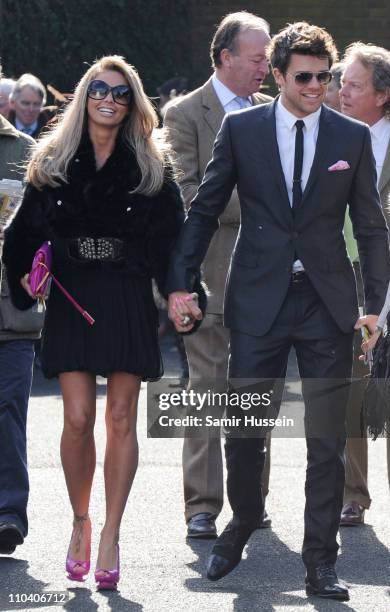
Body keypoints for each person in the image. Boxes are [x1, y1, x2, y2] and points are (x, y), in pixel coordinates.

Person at [167, 22, 390, 601]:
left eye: (325, 76)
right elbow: (204, 206)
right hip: (258, 299)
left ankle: (321, 560)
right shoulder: (243, 130)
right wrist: (181, 283)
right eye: (304, 76)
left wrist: (373, 307)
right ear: (279, 74)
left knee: (326, 440)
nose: (317, 86)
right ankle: (242, 520)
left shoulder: (349, 138)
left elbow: (370, 227)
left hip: (326, 303)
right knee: (245, 430)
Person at [3, 55, 201, 589]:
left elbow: (171, 244)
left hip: (126, 295)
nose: (108, 99)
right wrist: (24, 273)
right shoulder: (53, 160)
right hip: (72, 294)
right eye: (98, 90)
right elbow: (21, 235)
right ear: (84, 98)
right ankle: (80, 521)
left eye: (119, 92)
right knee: (74, 420)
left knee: (119, 419)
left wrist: (181, 291)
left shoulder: (153, 168)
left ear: (132, 103)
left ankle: (112, 532)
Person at [164, 11, 273, 539]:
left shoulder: (273, 112)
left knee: (254, 392)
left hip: (264, 279)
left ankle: (252, 501)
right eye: (258, 58)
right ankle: (202, 505)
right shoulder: (185, 114)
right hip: (205, 276)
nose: (266, 67)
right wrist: (262, 202)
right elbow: (188, 192)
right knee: (206, 388)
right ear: (226, 57)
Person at [338, 43, 390, 530]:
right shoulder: (329, 136)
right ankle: (352, 495)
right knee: (351, 390)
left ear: (382, 94)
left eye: (353, 84)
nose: (340, 92)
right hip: (344, 276)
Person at [0, 67, 40, 556]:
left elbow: (47, 225)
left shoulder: (25, 155)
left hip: (12, 311)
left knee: (8, 411)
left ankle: (8, 513)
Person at [8, 73, 53, 138]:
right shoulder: (3, 131)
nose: (31, 109)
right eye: (25, 103)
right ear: (12, 103)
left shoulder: (51, 134)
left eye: (36, 104)